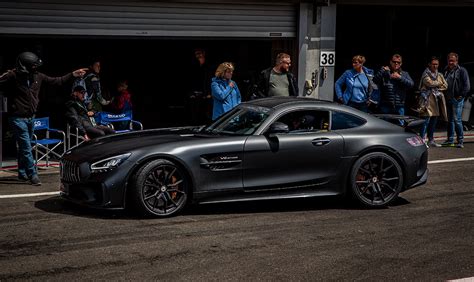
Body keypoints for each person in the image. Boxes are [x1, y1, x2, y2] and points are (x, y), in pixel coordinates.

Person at [0, 51, 87, 185]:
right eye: (34, 66)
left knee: (25, 147)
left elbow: (56, 81)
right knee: (26, 147)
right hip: (17, 118)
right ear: (26, 66)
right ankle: (32, 174)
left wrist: (72, 74)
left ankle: (22, 173)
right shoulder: (13, 76)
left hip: (31, 118)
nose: (36, 68)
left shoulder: (38, 76)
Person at [418, 57, 448, 147]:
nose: (435, 66)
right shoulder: (426, 73)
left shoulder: (439, 74)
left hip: (436, 100)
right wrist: (439, 83)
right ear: (429, 64)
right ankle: (422, 140)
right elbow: (429, 83)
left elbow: (446, 85)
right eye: (433, 64)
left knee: (433, 121)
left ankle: (431, 140)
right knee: (425, 121)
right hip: (427, 100)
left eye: (436, 64)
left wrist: (436, 84)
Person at [442, 52, 470, 148]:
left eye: (453, 61)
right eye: (449, 60)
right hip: (448, 99)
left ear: (457, 61)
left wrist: (461, 96)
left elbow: (467, 86)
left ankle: (460, 140)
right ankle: (450, 140)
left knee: (457, 120)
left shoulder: (462, 71)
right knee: (450, 120)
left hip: (457, 99)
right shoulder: (446, 70)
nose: (451, 62)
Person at [374, 54, 414, 118]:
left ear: (401, 63)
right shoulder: (385, 71)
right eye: (394, 61)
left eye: (398, 62)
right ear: (390, 62)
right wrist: (382, 71)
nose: (396, 63)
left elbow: (411, 84)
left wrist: (400, 77)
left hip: (399, 106)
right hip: (385, 105)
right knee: (384, 126)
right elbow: (375, 80)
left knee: (400, 127)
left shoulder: (404, 74)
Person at [188, 48, 213, 124]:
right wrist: (191, 93)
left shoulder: (209, 65)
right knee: (195, 112)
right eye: (196, 54)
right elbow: (190, 80)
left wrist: (209, 93)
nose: (198, 55)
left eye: (199, 53)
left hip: (206, 94)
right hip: (195, 93)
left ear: (204, 53)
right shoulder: (193, 65)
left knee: (206, 112)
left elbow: (210, 80)